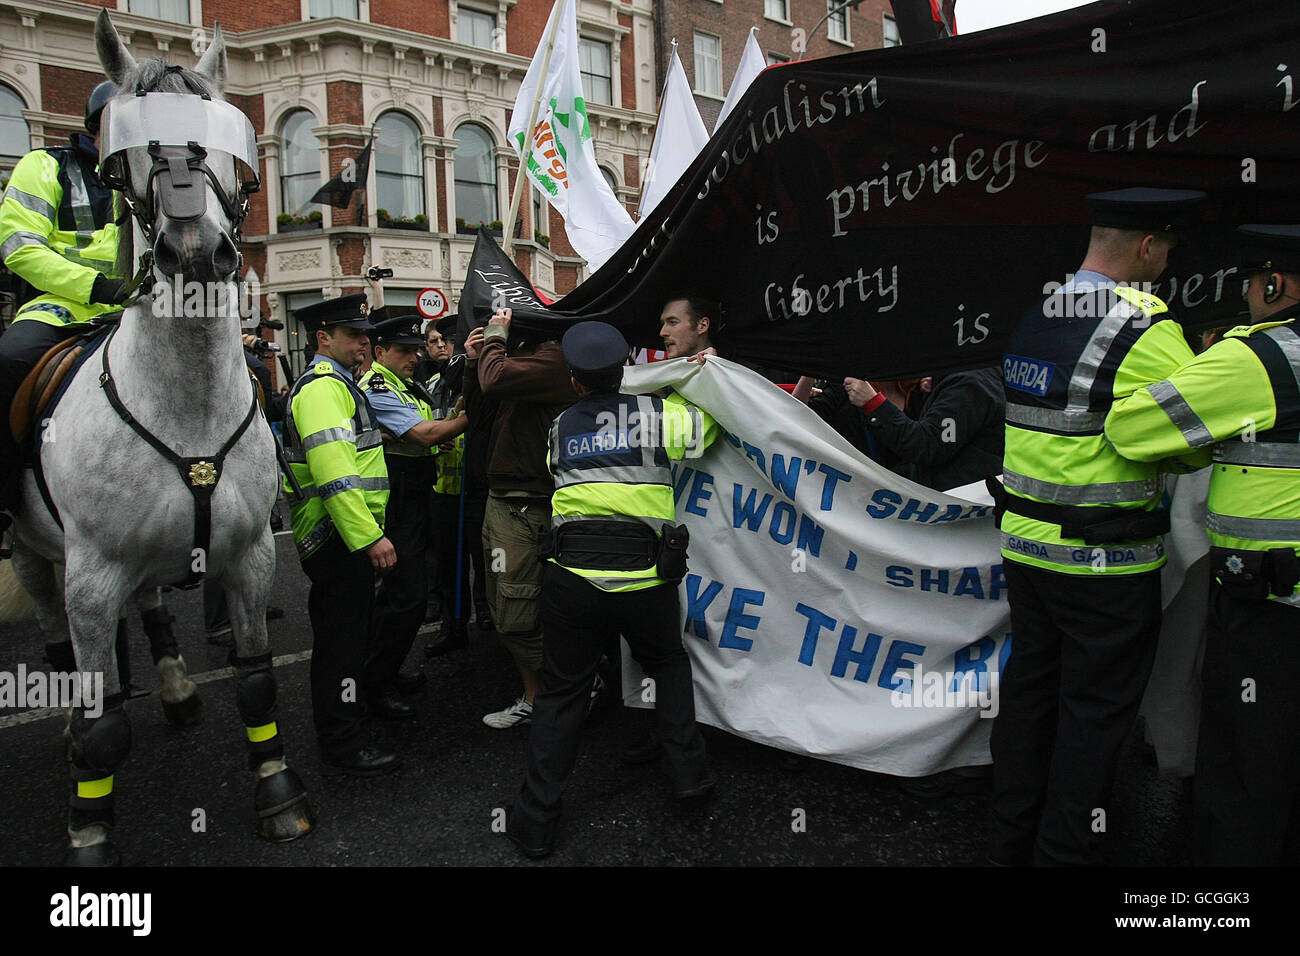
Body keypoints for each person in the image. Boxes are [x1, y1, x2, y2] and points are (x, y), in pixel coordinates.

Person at [987, 187, 1206, 866]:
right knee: (1094, 720)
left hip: (1027, 552)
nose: (1166, 264)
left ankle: (1005, 846)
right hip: (1105, 567)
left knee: (1029, 703)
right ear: (1146, 246)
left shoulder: (1040, 311)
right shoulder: (1146, 327)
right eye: (1166, 249)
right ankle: (1063, 855)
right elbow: (1194, 441)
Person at [1106, 224, 1300, 865]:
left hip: (1271, 607)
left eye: (1252, 281)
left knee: (1246, 764)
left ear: (1274, 283)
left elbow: (1134, 429)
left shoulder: (1259, 358)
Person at [507, 321, 719, 858]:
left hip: (573, 580)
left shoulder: (558, 427)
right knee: (668, 666)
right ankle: (689, 777)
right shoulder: (656, 415)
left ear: (575, 382)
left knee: (561, 692)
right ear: (624, 372)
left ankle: (535, 821)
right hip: (646, 579)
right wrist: (698, 377)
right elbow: (707, 430)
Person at [0, 81, 127, 537]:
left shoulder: (144, 175)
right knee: (8, 361)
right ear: (96, 129)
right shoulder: (44, 166)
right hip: (58, 308)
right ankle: (5, 497)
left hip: (131, 311)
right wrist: (94, 284)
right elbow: (20, 247)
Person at [280, 293, 399, 776]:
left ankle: (351, 721)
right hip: (338, 537)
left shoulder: (338, 385)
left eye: (366, 335)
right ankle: (343, 743)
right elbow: (334, 475)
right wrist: (368, 537)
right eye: (353, 335)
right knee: (341, 645)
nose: (364, 344)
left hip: (343, 536)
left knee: (350, 637)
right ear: (322, 338)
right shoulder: (324, 388)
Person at [462, 306, 575, 728]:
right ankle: (537, 695)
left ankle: (565, 691)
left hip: (530, 504)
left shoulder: (554, 359)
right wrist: (473, 364)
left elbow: (497, 379)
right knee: (503, 608)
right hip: (503, 500)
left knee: (518, 613)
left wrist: (494, 337)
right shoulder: (523, 361)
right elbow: (481, 415)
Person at [358, 313, 468, 717]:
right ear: (380, 352)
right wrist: (470, 417)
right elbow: (424, 434)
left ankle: (384, 672)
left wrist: (442, 423)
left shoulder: (409, 384)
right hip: (398, 495)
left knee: (401, 593)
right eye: (402, 351)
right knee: (407, 596)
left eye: (414, 350)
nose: (412, 357)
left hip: (417, 489)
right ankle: (375, 682)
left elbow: (426, 429)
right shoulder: (378, 386)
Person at [844, 368, 1005, 491]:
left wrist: (873, 404)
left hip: (960, 508)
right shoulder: (970, 378)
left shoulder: (969, 385)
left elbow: (928, 445)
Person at [658, 294, 719, 359]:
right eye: (663, 324)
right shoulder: (657, 367)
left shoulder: (728, 367)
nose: (662, 333)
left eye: (672, 322)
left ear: (702, 326)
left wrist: (713, 364)